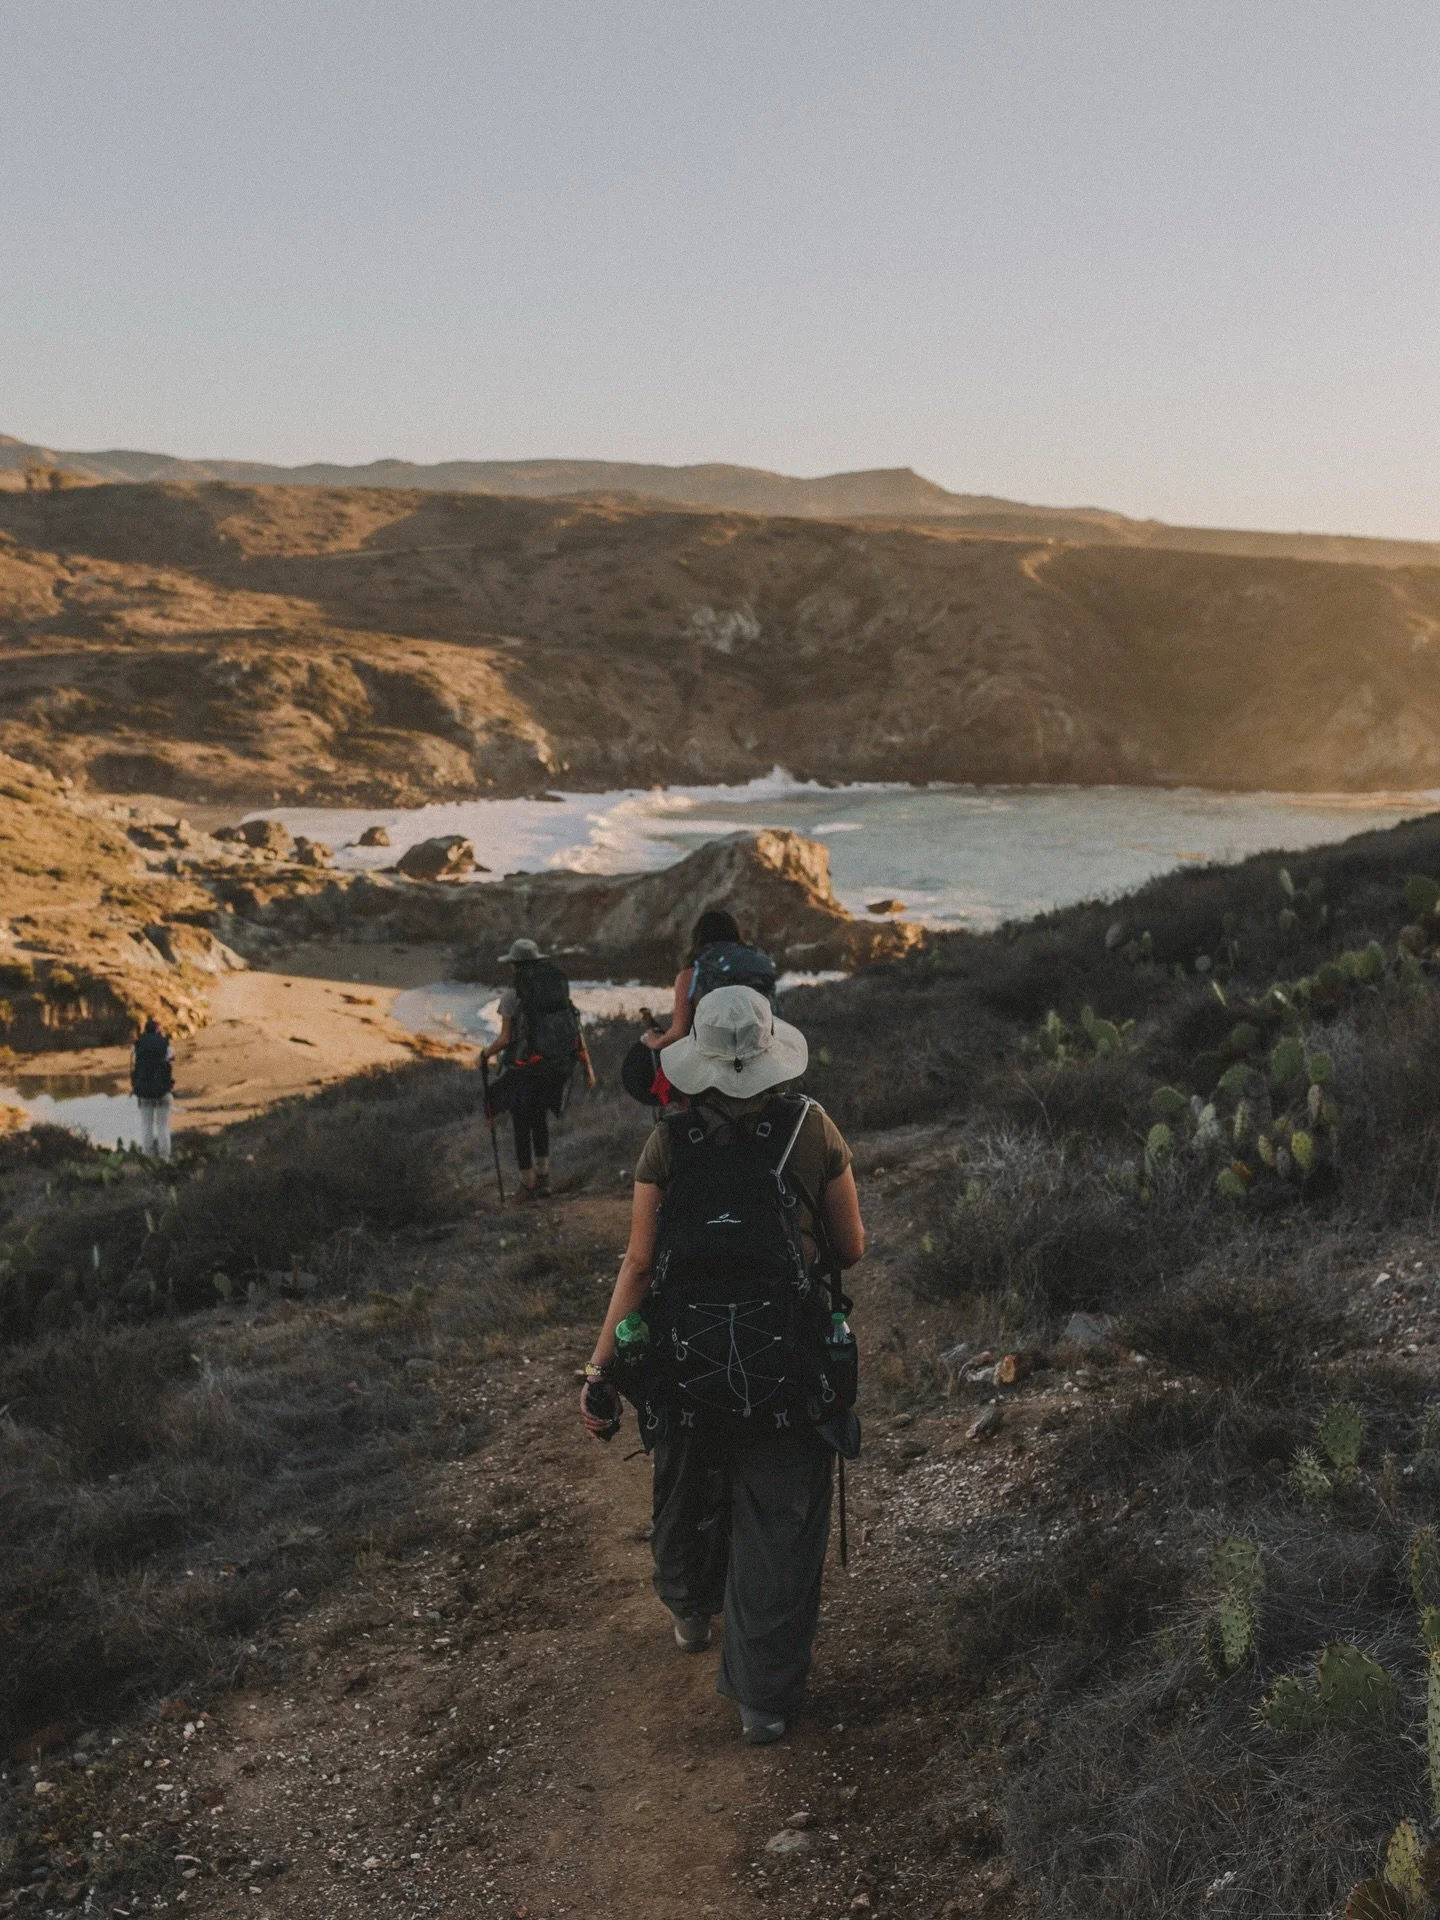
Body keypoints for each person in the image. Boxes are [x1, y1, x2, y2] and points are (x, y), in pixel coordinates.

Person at [581, 985, 865, 1745]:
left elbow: (640, 1266)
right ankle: (761, 1700)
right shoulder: (814, 1127)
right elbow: (851, 1248)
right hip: (789, 1363)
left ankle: (686, 1611)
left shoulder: (669, 1143)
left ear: (698, 1060)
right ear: (772, 1052)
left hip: (684, 1357)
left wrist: (599, 1370)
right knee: (778, 1514)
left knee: (684, 1475)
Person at [481, 938, 595, 1199]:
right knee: (540, 1120)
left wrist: (484, 1055)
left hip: (525, 1069)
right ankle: (544, 1180)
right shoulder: (555, 991)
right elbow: (574, 1027)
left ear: (514, 966)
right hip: (554, 1065)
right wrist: (587, 1067)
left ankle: (526, 1183)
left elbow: (505, 1039)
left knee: (521, 1124)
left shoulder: (512, 996)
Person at [640, 909, 777, 1054]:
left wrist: (653, 1040)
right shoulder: (755, 969)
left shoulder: (691, 975)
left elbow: (678, 1034)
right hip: (758, 1057)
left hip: (712, 1061)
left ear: (697, 938)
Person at [130, 1016, 175, 1162]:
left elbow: (133, 1063)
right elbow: (171, 1057)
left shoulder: (137, 1045)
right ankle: (164, 1157)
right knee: (162, 1125)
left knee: (146, 1124)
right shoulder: (165, 1044)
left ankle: (148, 1156)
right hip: (162, 1090)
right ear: (158, 1030)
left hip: (143, 1090)